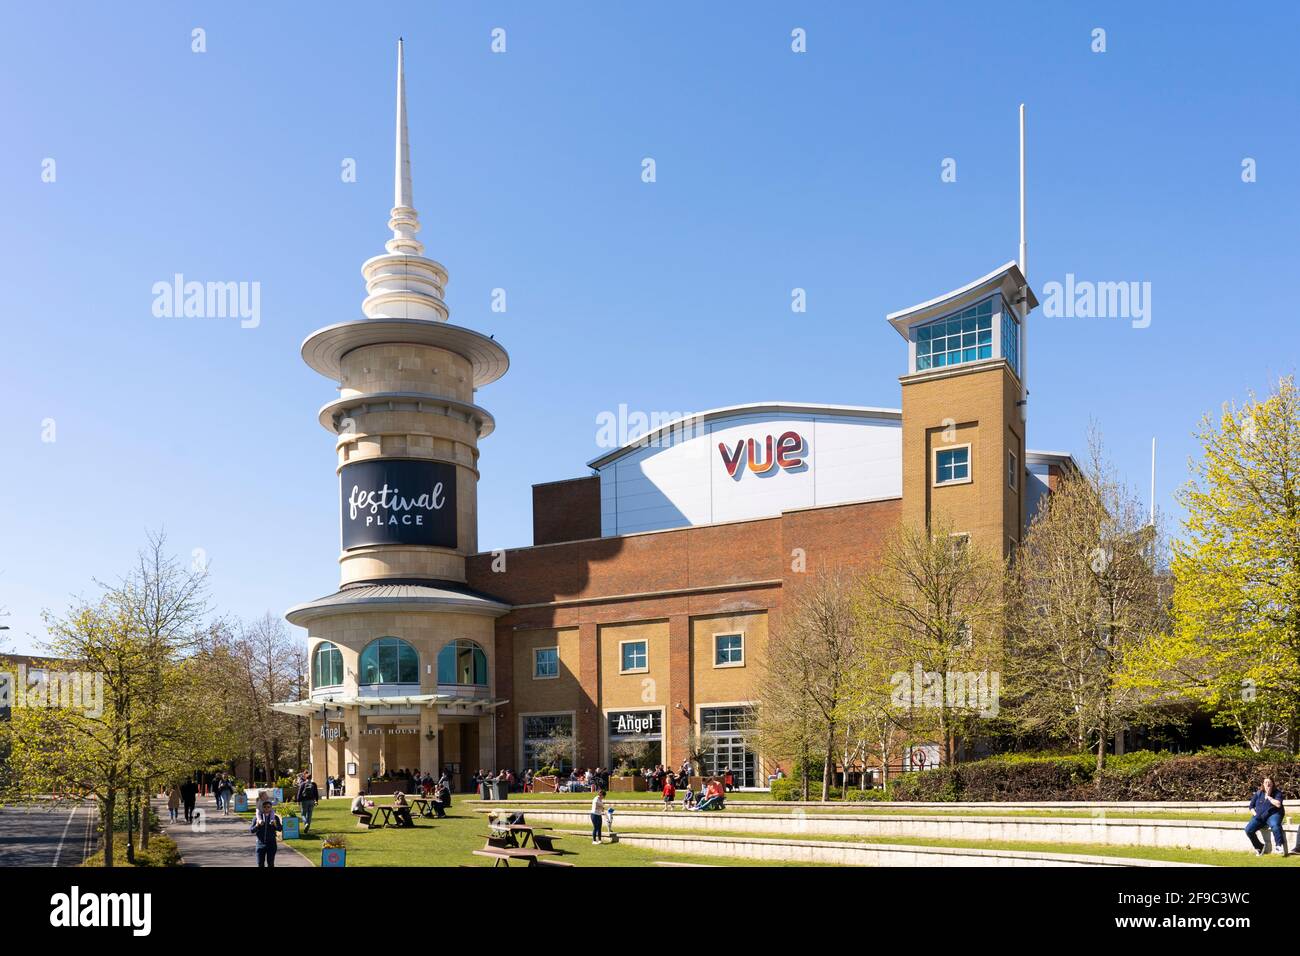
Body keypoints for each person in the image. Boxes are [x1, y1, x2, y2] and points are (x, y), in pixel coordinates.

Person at [1246, 777, 1288, 856]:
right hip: (1260, 816)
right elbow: (1251, 806)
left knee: (1275, 825)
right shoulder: (1258, 793)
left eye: (1269, 782)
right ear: (1263, 784)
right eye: (1265, 782)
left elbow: (1278, 804)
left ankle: (1278, 846)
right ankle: (1259, 847)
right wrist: (1255, 815)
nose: (1267, 784)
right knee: (1248, 830)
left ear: (1273, 784)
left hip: (1273, 814)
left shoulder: (1277, 793)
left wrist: (1269, 797)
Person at [249, 800, 282, 867]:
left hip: (271, 844)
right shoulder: (257, 818)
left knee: (270, 863)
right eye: (264, 807)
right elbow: (252, 830)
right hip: (260, 844)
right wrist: (257, 826)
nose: (266, 808)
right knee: (260, 864)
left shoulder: (275, 818)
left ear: (271, 808)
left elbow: (280, 829)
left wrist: (275, 825)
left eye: (268, 807)